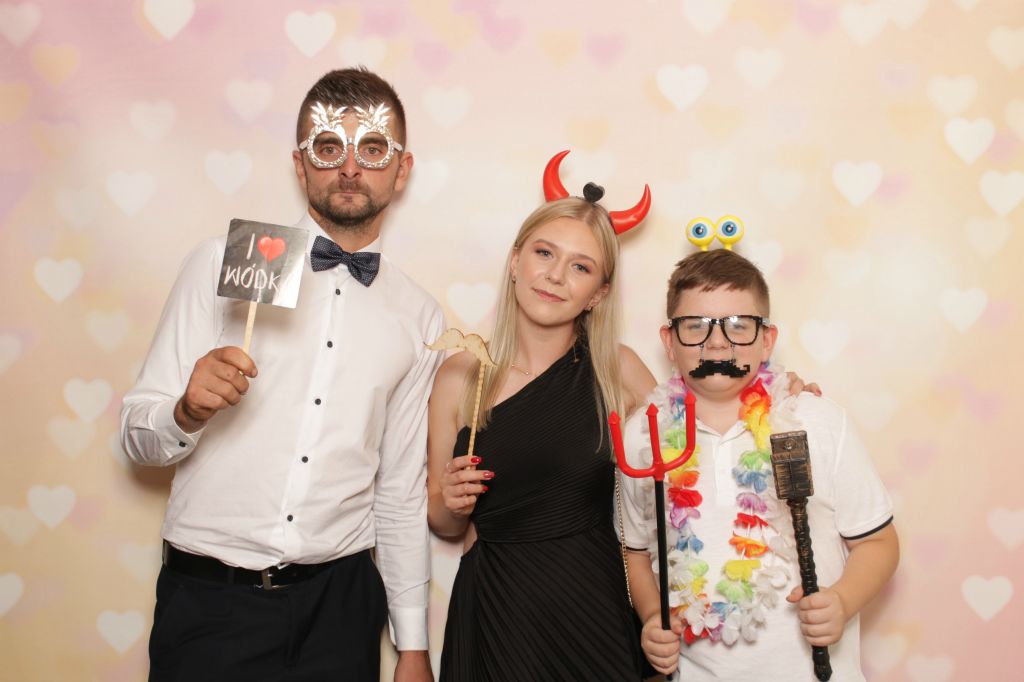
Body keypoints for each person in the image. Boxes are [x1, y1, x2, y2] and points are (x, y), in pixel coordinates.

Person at [120, 67, 440, 682]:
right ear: (300, 165)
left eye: (373, 149)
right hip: (210, 605)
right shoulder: (221, 261)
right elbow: (137, 436)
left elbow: (399, 489)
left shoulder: (419, 315)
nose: (350, 167)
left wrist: (413, 644)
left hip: (341, 610)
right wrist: (184, 411)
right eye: (329, 147)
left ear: (401, 170)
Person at [620, 248, 899, 681]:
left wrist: (843, 601)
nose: (717, 343)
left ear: (766, 340)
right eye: (695, 325)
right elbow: (635, 552)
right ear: (669, 341)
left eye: (738, 325)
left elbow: (879, 542)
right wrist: (654, 615)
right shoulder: (643, 436)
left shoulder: (815, 421)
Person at [427, 184, 657, 680]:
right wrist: (452, 501)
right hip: (495, 611)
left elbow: (688, 468)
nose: (555, 275)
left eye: (581, 267)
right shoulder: (460, 376)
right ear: (515, 262)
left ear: (599, 293)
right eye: (544, 253)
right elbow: (443, 523)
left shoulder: (618, 371)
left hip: (590, 609)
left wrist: (777, 396)